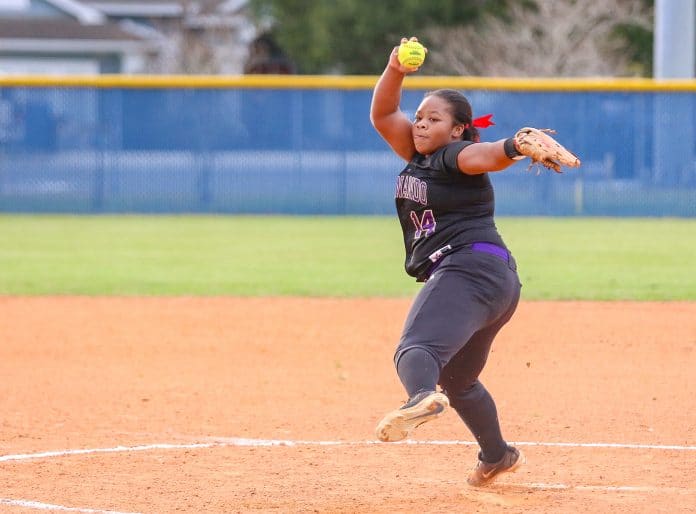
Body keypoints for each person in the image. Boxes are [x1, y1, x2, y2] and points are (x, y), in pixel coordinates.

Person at [370, 37, 529, 487]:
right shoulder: (421, 158)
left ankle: (421, 396)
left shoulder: (456, 156)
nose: (420, 124)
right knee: (460, 380)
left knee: (416, 349)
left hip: (468, 269)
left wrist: (514, 146)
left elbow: (486, 156)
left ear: (458, 129)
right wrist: (395, 68)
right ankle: (497, 455)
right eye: (419, 117)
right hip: (498, 280)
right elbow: (383, 115)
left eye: (433, 119)